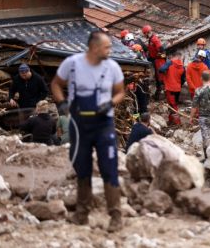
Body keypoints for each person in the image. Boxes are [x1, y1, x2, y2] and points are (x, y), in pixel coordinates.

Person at [51, 30, 125, 232]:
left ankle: (116, 216)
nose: (110, 50)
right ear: (94, 47)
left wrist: (110, 103)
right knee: (82, 169)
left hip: (103, 125)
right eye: (106, 47)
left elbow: (120, 92)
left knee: (109, 169)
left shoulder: (113, 67)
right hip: (79, 125)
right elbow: (56, 84)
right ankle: (81, 214)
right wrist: (62, 103)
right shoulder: (72, 64)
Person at [159, 52, 185, 125]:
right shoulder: (182, 67)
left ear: (173, 57)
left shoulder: (170, 63)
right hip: (177, 88)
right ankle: (171, 121)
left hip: (169, 88)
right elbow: (183, 79)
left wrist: (165, 74)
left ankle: (177, 123)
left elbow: (161, 69)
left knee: (173, 105)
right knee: (173, 104)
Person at [142, 25, 166, 99]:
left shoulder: (154, 40)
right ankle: (158, 94)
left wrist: (157, 56)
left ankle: (160, 95)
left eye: (145, 34)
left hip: (159, 60)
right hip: (155, 60)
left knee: (160, 78)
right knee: (157, 77)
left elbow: (161, 50)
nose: (144, 36)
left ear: (147, 33)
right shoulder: (151, 39)